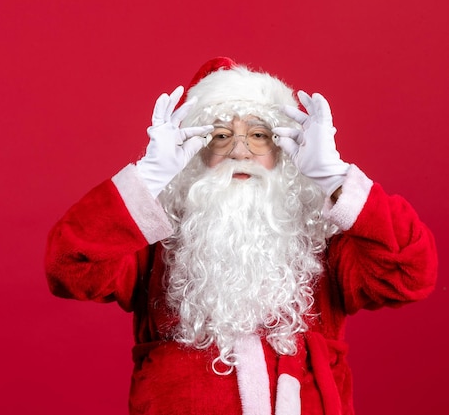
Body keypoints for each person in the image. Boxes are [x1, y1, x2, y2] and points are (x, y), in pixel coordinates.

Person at [44, 57, 438, 415]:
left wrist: (334, 177)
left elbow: (411, 273)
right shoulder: (154, 233)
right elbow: (69, 265)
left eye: (258, 135)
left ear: (284, 148)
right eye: (219, 136)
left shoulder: (323, 234)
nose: (240, 152)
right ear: (195, 149)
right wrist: (147, 179)